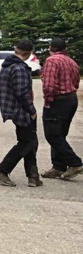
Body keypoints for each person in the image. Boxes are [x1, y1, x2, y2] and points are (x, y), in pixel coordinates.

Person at [0, 40, 41, 187]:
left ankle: (33, 176)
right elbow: (22, 92)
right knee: (27, 142)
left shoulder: (9, 65)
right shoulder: (18, 68)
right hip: (20, 110)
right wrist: (31, 110)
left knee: (30, 140)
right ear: (28, 53)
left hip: (13, 108)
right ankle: (2, 170)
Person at [40, 38, 82, 180]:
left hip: (58, 101)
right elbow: (76, 82)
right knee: (60, 133)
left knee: (52, 134)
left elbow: (49, 86)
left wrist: (48, 101)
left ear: (50, 47)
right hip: (71, 99)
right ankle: (58, 166)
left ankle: (75, 163)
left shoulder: (52, 61)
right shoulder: (72, 62)